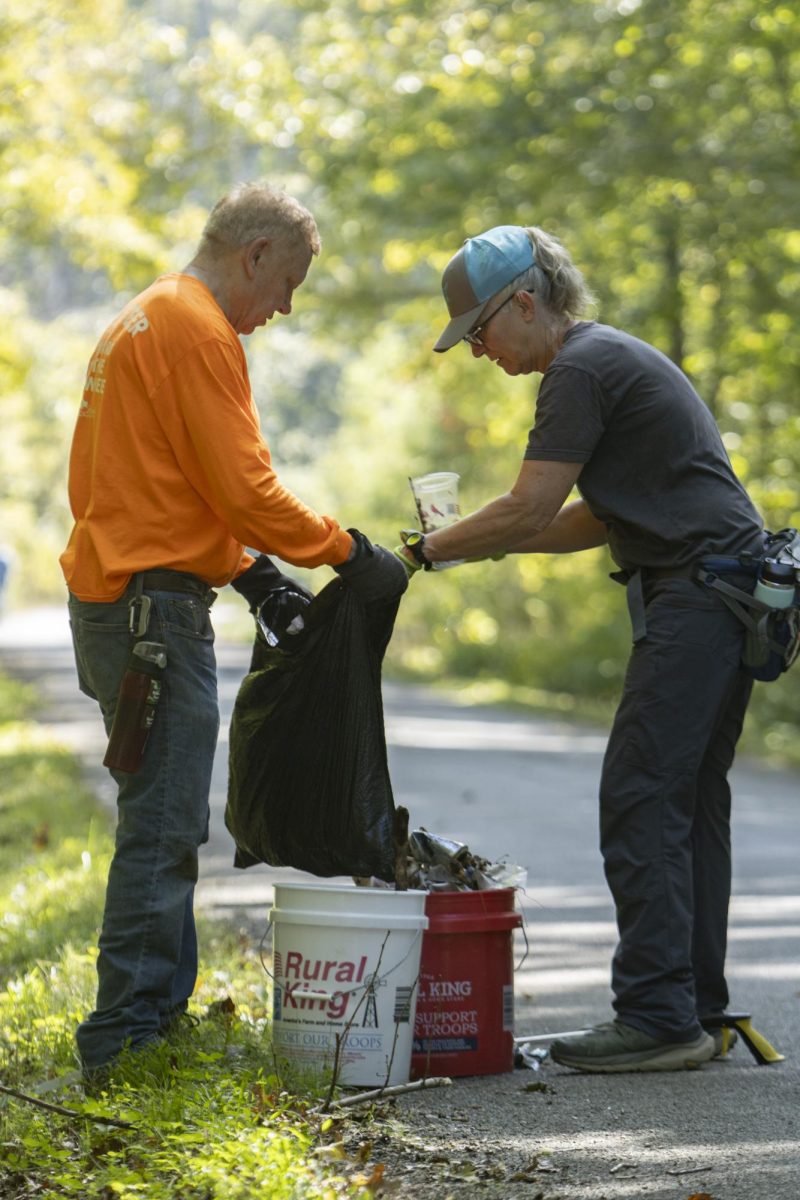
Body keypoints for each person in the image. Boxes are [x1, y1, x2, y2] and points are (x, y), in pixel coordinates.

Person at [61, 182, 407, 1079]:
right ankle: (124, 1039)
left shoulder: (149, 316)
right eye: (287, 282)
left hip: (126, 599)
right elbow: (247, 488)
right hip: (151, 617)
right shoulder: (196, 328)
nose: (284, 307)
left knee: (167, 817)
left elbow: (169, 489)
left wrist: (249, 573)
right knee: (164, 823)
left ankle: (158, 1017)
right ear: (255, 254)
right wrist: (347, 551)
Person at [400, 224, 764, 1073]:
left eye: (480, 332)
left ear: (524, 303)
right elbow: (592, 518)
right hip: (732, 592)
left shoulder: (577, 370)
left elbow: (527, 506)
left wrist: (422, 551)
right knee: (686, 803)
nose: (479, 352)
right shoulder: (608, 360)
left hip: (699, 595)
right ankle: (693, 1009)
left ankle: (656, 1016)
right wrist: (483, 544)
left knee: (640, 795)